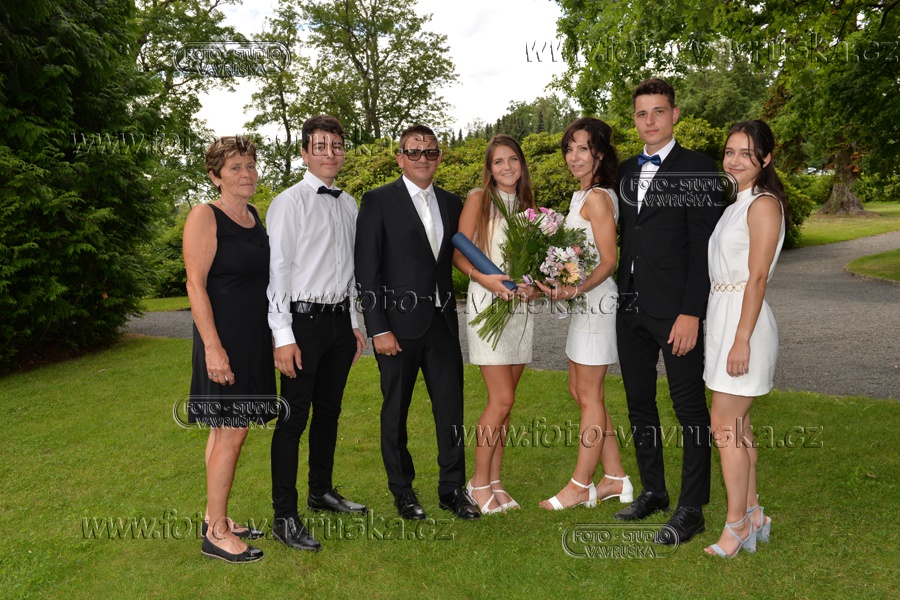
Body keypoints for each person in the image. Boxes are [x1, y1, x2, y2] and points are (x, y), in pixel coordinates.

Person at [614, 78, 724, 545]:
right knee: (639, 403)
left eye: (658, 111)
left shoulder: (698, 168)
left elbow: (705, 248)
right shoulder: (625, 170)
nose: (650, 121)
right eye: (642, 114)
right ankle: (654, 491)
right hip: (630, 307)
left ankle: (691, 509)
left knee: (689, 408)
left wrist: (691, 313)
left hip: (676, 311)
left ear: (675, 114)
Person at [355, 125, 479, 521]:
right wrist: (378, 328)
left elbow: (466, 254)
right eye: (414, 151)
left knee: (451, 410)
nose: (423, 158)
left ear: (439, 157)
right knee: (395, 413)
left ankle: (452, 489)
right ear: (400, 157)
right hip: (396, 329)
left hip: (442, 324)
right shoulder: (377, 201)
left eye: (431, 152)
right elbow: (367, 270)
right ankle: (403, 492)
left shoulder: (452, 203)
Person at [267, 115, 368, 553]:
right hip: (301, 325)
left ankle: (320, 491)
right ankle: (284, 516)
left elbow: (352, 271)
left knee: (329, 412)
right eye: (321, 146)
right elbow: (277, 272)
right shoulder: (287, 203)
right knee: (293, 419)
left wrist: (356, 323)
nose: (330, 153)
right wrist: (282, 335)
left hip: (339, 324)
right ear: (305, 153)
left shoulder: (350, 205)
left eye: (337, 145)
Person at [184, 135, 274, 563]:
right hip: (223, 342)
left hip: (253, 339)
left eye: (251, 165)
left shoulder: (254, 216)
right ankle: (217, 535)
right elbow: (195, 284)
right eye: (236, 167)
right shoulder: (205, 215)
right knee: (232, 432)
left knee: (224, 430)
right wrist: (213, 348)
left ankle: (213, 518)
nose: (247, 173)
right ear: (215, 175)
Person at [534, 118, 633, 510]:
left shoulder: (597, 198)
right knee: (580, 391)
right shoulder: (582, 195)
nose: (574, 157)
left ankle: (580, 484)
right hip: (583, 303)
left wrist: (574, 288)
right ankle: (616, 477)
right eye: (569, 148)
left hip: (597, 304)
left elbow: (609, 261)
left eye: (583, 149)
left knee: (590, 394)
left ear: (600, 154)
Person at [703, 120, 786, 557]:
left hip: (744, 324)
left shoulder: (764, 205)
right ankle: (754, 514)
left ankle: (735, 525)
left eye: (746, 153)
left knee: (724, 426)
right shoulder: (738, 201)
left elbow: (757, 278)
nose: (735, 161)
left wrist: (741, 340)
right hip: (724, 318)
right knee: (739, 427)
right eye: (730, 151)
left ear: (766, 159)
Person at [452, 135, 537, 514]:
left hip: (519, 310)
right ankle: (477, 482)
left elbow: (531, 260)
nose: (507, 167)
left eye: (513, 159)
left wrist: (532, 285)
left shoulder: (529, 206)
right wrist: (484, 279)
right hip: (487, 304)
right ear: (489, 168)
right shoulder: (479, 199)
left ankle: (495, 481)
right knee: (500, 399)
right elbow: (459, 252)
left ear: (522, 164)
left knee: (507, 404)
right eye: (499, 161)